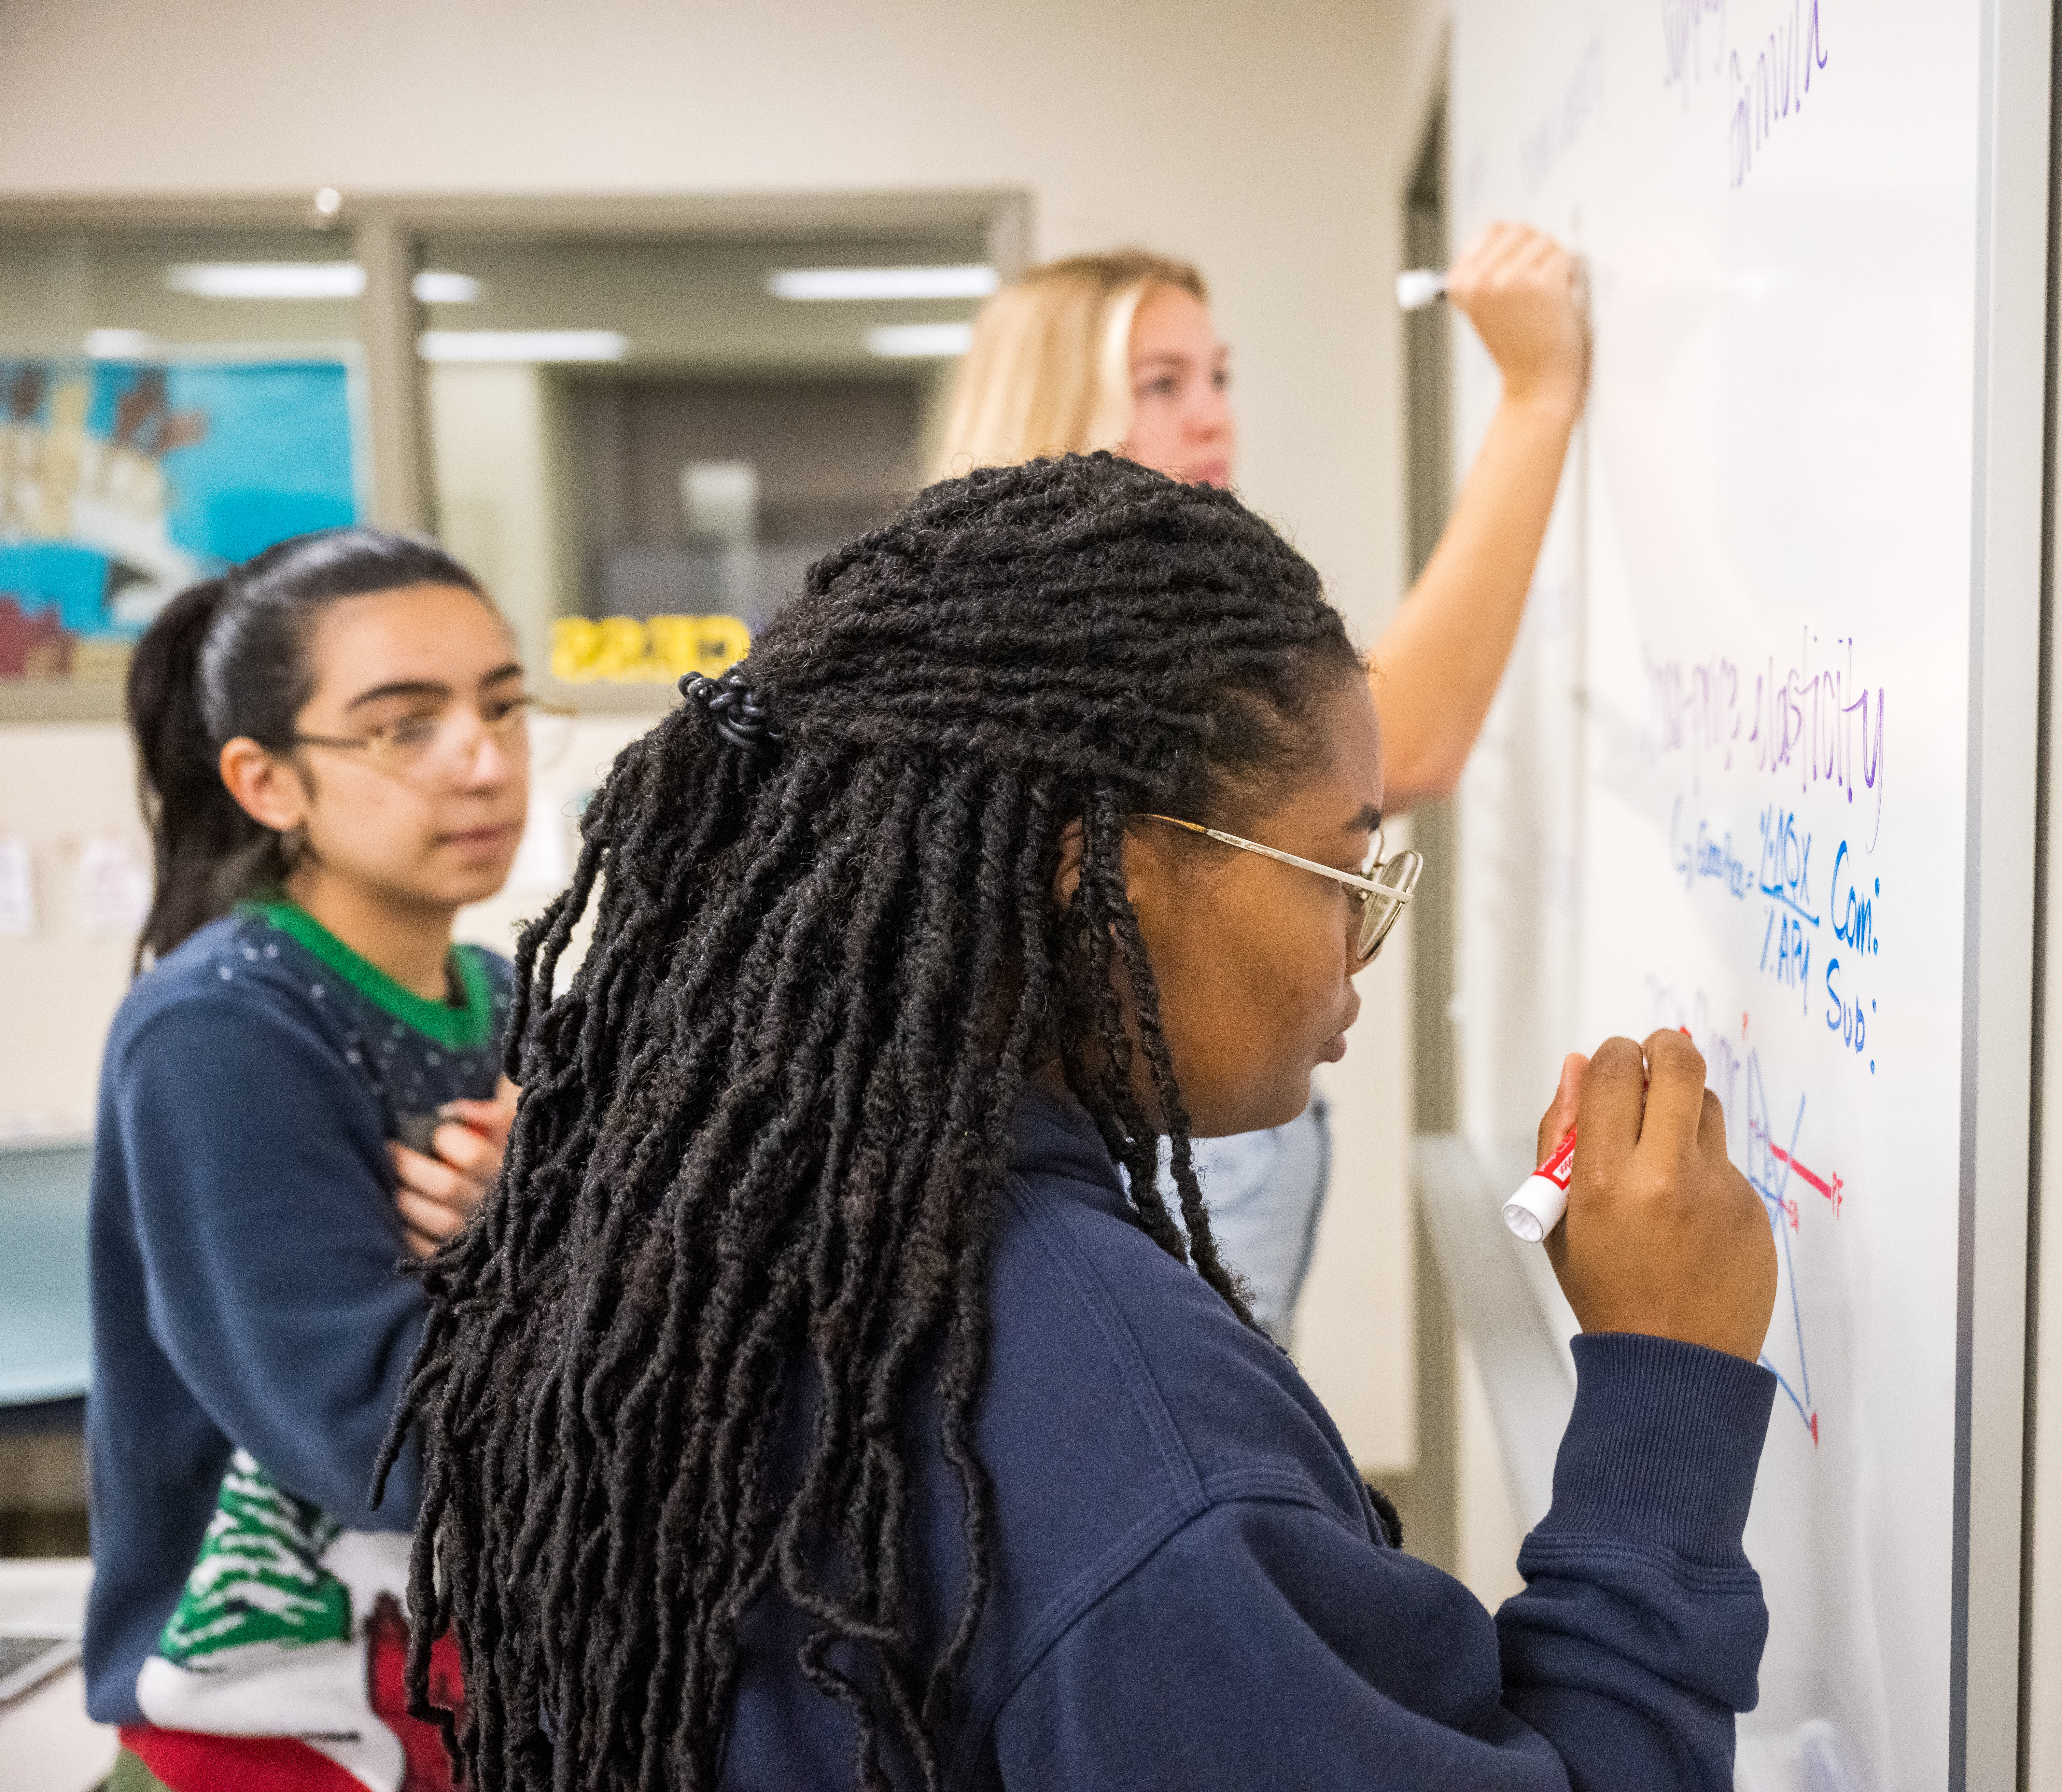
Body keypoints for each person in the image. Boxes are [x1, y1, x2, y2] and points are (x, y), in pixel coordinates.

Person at [388, 454, 1780, 1791]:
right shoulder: (1140, 1446)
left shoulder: (722, 1217)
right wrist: (1665, 1379)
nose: (1359, 944)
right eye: (1342, 866)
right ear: (1091, 876)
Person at [940, 228, 1586, 1334]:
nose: (1212, 415)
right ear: (1053, 407)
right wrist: (1536, 394)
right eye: (1161, 384)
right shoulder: (1058, 635)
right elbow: (1405, 745)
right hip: (1166, 1143)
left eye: (1219, 376)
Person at [86, 528, 539, 1792]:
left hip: (460, 1717)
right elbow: (386, 1441)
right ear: (266, 779)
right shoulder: (221, 1026)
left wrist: (534, 1227)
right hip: (267, 1740)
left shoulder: (510, 1000)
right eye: (405, 724)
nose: (482, 756)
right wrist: (554, 1249)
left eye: (503, 705)